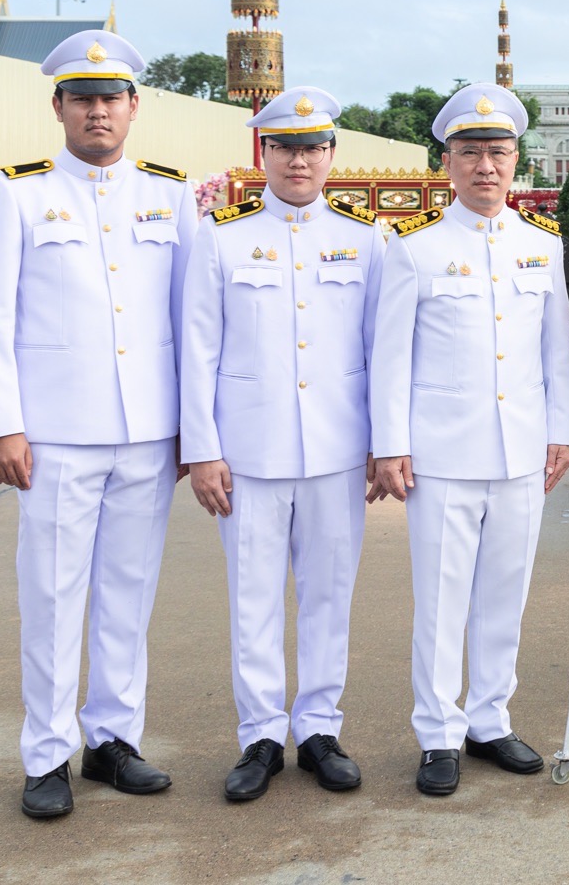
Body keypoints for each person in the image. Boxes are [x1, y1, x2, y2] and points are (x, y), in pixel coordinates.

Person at [0, 30, 199, 820]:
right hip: (56, 432)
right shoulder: (17, 192)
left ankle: (113, 741)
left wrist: (189, 433)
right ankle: (45, 755)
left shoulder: (172, 194)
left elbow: (189, 323)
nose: (98, 111)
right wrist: (3, 424)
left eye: (112, 98)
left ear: (135, 107)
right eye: (82, 98)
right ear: (58, 106)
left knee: (129, 595)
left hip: (147, 431)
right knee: (55, 596)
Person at [369, 84, 569, 797]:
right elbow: (390, 359)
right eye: (470, 153)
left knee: (505, 593)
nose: (486, 167)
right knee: (442, 598)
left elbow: (555, 354)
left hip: (520, 450)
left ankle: (490, 719)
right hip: (442, 455)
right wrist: (389, 445)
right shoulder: (416, 250)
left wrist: (562, 432)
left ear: (515, 159)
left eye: (497, 152)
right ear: (447, 163)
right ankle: (438, 732)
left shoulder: (540, 247)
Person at [179, 88, 382, 802]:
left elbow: (379, 352)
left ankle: (320, 728)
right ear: (261, 152)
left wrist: (382, 444)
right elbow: (197, 350)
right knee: (254, 598)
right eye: (285, 146)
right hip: (250, 453)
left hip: (335, 451)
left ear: (331, 154)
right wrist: (202, 450)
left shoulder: (364, 239)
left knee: (330, 595)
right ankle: (261, 735)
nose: (299, 159)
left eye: (313, 146)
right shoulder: (222, 237)